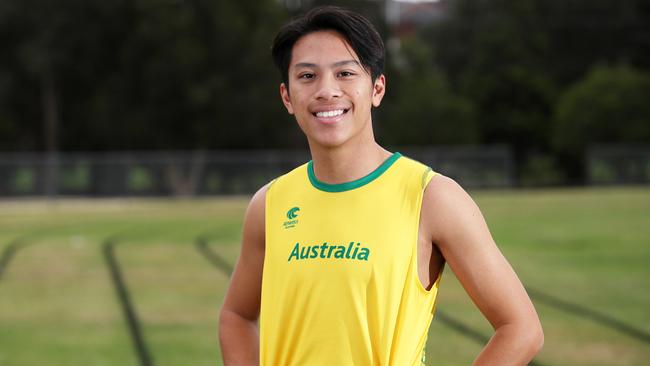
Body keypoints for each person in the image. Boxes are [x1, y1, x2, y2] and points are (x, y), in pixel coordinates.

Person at [219, 6, 543, 365]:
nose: (327, 90)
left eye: (345, 73)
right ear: (287, 97)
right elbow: (236, 316)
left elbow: (521, 328)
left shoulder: (431, 197)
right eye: (307, 76)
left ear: (376, 88)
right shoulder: (270, 203)